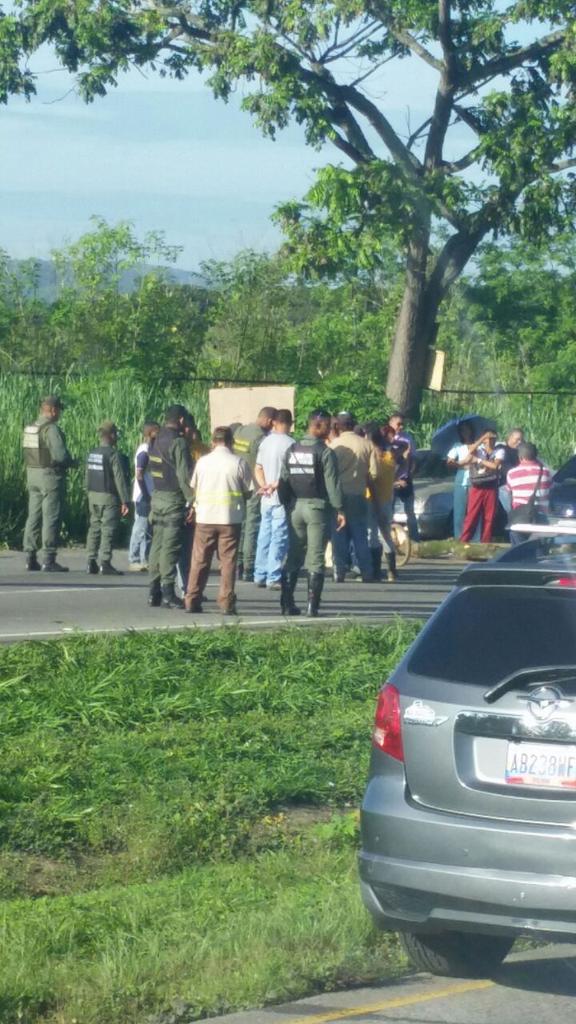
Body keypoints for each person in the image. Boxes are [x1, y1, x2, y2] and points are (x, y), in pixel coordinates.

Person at [278, 409, 346, 617]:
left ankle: (286, 603)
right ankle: (312, 607)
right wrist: (340, 508)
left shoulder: (291, 449)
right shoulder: (325, 453)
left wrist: (287, 505)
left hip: (295, 507)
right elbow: (332, 485)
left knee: (293, 555)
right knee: (315, 557)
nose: (331, 429)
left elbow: (283, 481)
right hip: (317, 508)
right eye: (328, 425)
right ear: (318, 425)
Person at [184, 426, 253, 615]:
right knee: (228, 562)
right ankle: (226, 602)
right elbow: (248, 491)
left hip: (205, 518)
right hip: (229, 519)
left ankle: (192, 599)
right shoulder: (238, 462)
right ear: (231, 442)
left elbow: (193, 487)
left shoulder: (202, 462)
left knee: (199, 560)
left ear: (213, 441)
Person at [147, 404, 195, 609]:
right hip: (173, 501)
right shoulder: (178, 443)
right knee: (170, 547)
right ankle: (168, 592)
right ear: (182, 421)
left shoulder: (156, 439)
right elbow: (184, 476)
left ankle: (153, 591)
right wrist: (192, 500)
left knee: (156, 546)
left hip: (156, 498)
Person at [22, 394, 77, 572]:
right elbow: (60, 455)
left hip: (32, 475)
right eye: (59, 410)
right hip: (50, 477)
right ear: (53, 410)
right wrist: (72, 462)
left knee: (34, 516)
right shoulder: (51, 429)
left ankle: (30, 556)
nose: (59, 413)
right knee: (51, 517)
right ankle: (48, 558)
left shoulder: (31, 427)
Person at [330, 412, 378, 583]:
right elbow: (374, 473)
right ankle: (367, 571)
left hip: (338, 495)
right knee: (360, 534)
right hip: (358, 494)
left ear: (338, 426)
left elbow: (329, 473)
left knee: (338, 534)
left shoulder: (335, 445)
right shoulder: (367, 445)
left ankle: (339, 571)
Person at [233, 407, 277, 581]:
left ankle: (238, 562)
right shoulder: (260, 438)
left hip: (237, 484)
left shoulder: (240, 431)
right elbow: (262, 464)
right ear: (268, 421)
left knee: (241, 525)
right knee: (252, 526)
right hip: (254, 486)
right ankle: (248, 566)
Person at [253, 409, 295, 589]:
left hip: (266, 497)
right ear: (289, 423)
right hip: (281, 496)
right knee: (279, 537)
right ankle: (273, 576)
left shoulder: (265, 442)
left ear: (274, 422)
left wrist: (263, 485)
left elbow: (258, 467)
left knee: (264, 535)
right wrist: (275, 484)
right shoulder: (291, 444)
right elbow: (291, 473)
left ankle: (259, 574)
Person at [85, 421, 131, 575]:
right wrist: (125, 501)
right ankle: (105, 562)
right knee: (108, 529)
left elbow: (87, 477)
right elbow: (119, 479)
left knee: (94, 528)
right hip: (109, 497)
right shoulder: (113, 455)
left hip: (93, 496)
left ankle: (90, 561)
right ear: (111, 435)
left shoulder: (93, 453)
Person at [176, 416, 211, 595]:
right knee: (184, 549)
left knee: (194, 549)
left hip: (198, 502)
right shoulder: (177, 447)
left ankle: (191, 587)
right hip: (185, 502)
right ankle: (186, 588)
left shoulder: (203, 451)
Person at [460, 431, 505, 543]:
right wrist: (482, 438)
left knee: (489, 517)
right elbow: (470, 451)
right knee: (471, 516)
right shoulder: (478, 449)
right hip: (477, 486)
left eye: (492, 438)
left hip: (491, 486)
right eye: (487, 439)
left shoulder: (499, 451)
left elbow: (495, 466)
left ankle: (485, 542)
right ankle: (464, 541)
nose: (489, 441)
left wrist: (479, 460)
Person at [367, 423, 398, 582]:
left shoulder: (373, 459)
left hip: (372, 499)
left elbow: (373, 477)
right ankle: (392, 570)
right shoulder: (389, 457)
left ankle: (376, 570)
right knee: (386, 534)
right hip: (387, 499)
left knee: (372, 535)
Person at [506, 442, 552, 545]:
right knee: (539, 552)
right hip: (541, 517)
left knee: (518, 552)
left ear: (520, 456)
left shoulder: (512, 473)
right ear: (536, 455)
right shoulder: (546, 472)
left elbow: (509, 492)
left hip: (520, 517)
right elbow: (550, 488)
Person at [128, 421, 159, 572]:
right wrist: (146, 495)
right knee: (140, 527)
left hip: (149, 495)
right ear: (149, 433)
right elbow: (139, 475)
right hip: (143, 496)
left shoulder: (152, 450)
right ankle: (134, 559)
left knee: (147, 529)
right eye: (156, 432)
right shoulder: (145, 451)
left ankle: (144, 559)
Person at [389, 411, 419, 541]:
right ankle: (391, 539)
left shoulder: (407, 438)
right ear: (391, 423)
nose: (401, 427)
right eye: (398, 424)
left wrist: (411, 472)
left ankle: (414, 540)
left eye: (403, 424)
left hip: (406, 478)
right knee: (389, 512)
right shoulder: (387, 439)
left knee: (410, 512)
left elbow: (414, 458)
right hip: (391, 480)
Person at [446, 421, 476, 540]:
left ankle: (476, 537)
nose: (466, 433)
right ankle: (459, 536)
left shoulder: (478, 444)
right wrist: (461, 465)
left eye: (467, 429)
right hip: (461, 479)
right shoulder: (457, 446)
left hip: (476, 479)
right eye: (462, 430)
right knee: (459, 510)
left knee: (474, 510)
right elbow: (449, 462)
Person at [495, 428, 524, 517]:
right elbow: (504, 467)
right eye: (517, 439)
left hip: (519, 486)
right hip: (504, 485)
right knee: (510, 512)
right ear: (510, 437)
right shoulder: (501, 449)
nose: (519, 442)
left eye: (521, 440)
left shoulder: (521, 452)